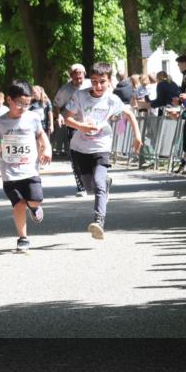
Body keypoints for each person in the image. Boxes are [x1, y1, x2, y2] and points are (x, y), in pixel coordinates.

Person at [63, 62, 142, 240]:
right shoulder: (80, 95)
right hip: (80, 148)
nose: (98, 86)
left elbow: (129, 114)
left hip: (101, 146)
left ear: (109, 81)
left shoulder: (112, 99)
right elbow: (66, 118)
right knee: (90, 187)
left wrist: (137, 136)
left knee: (98, 184)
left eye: (103, 82)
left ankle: (98, 222)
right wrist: (81, 126)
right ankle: (106, 185)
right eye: (95, 81)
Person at [0, 80, 52, 253]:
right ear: (9, 100)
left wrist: (48, 148)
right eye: (20, 103)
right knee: (18, 204)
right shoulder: (0, 123)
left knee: (35, 199)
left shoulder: (33, 118)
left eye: (27, 104)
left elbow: (41, 135)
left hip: (30, 169)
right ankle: (23, 238)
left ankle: (35, 207)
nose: (24, 107)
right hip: (10, 172)